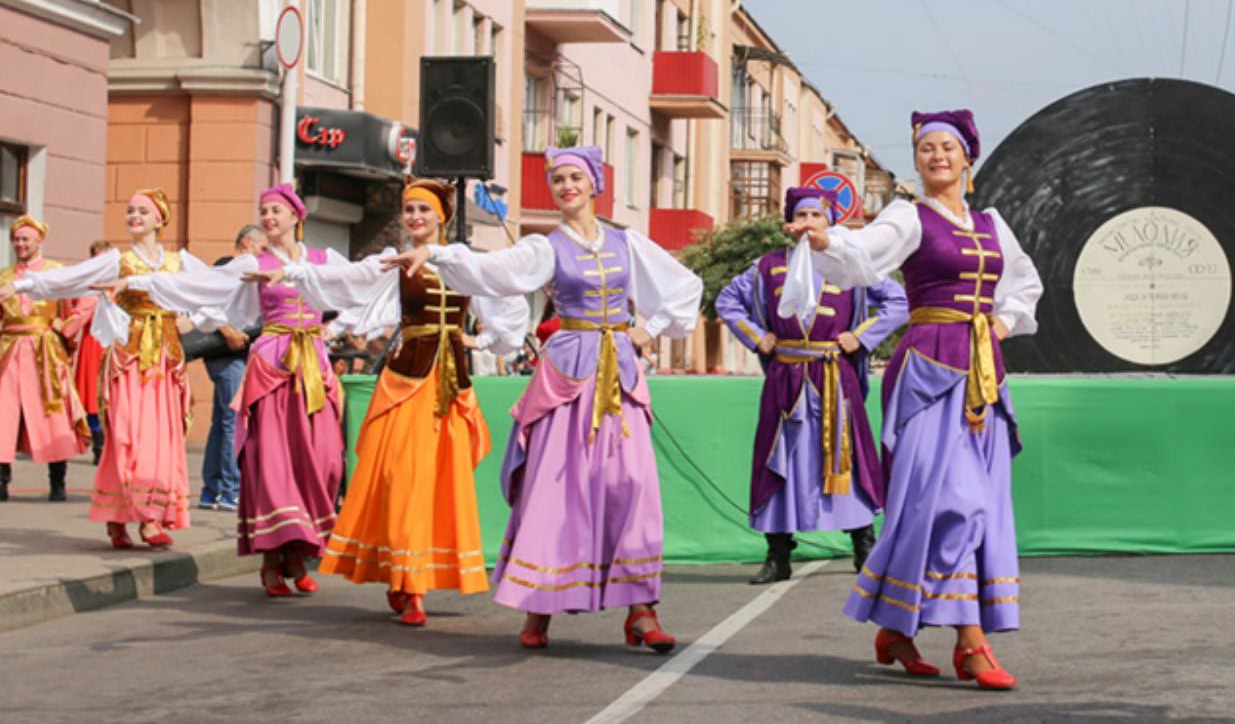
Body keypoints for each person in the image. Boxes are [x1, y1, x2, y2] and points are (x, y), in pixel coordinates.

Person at [411, 146, 702, 653]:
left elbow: (683, 285)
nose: (566, 186)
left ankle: (641, 609)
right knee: (555, 487)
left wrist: (648, 329)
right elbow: (494, 271)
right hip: (568, 371)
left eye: (575, 177)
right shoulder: (546, 247)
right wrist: (436, 253)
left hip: (620, 374)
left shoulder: (626, 242)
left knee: (629, 486)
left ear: (594, 184)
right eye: (558, 179)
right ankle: (538, 606)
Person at [790, 110, 1043, 690]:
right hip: (928, 370)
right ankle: (969, 642)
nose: (937, 156)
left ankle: (896, 624)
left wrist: (1000, 325)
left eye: (947, 147)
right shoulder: (909, 217)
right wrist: (828, 239)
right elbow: (866, 253)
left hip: (983, 369)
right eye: (926, 148)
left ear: (967, 158)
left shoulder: (992, 223)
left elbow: (1025, 283)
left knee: (969, 504)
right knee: (952, 500)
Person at [267, 179, 519, 627]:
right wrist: (294, 275)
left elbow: (505, 302)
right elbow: (348, 282)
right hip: (406, 383)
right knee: (402, 479)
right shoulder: (394, 262)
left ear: (442, 216)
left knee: (439, 482)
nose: (415, 217)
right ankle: (406, 579)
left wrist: (483, 340)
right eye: (409, 210)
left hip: (451, 387)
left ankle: (414, 576)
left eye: (424, 209)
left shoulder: (465, 262)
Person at [128, 186, 348, 597]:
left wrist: (333, 327)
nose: (268, 217)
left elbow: (355, 287)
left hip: (313, 366)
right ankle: (275, 561)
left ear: (296, 216)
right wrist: (143, 283)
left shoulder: (323, 260)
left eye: (275, 210)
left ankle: (301, 550)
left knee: (323, 461)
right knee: (272, 463)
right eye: (263, 211)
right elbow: (207, 287)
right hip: (272, 363)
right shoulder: (252, 263)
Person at [0, 190, 211, 549]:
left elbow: (213, 290)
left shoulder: (179, 261)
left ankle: (149, 516)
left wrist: (198, 320)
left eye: (143, 211)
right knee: (127, 437)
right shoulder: (117, 261)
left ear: (160, 219)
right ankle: (122, 515)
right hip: (129, 358)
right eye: (130, 210)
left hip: (164, 360)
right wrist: (23, 284)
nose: (134, 216)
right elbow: (71, 278)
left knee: (162, 437)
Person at [717, 186, 908, 584]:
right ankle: (778, 554)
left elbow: (898, 301)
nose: (808, 224)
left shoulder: (849, 264)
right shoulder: (767, 266)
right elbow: (727, 301)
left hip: (834, 377)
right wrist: (757, 336)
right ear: (789, 224)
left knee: (848, 458)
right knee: (779, 460)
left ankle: (864, 548)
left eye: (816, 217)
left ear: (829, 222)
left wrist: (863, 335)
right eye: (801, 217)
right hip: (786, 377)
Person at [0, 215, 92, 503]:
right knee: (3, 414)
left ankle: (57, 481)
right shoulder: (2, 276)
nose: (21, 244)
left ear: (39, 241)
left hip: (45, 350)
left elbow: (86, 299)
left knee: (52, 412)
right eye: (17, 239)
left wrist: (66, 326)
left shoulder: (55, 272)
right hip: (11, 351)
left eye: (26, 239)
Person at [194, 224, 266, 512]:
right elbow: (204, 304)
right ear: (247, 243)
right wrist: (227, 330)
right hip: (225, 352)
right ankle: (229, 490)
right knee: (231, 421)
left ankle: (210, 490)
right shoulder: (226, 268)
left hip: (235, 353)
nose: (264, 256)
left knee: (221, 421)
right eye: (262, 249)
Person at [75, 239, 115, 466]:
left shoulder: (121, 283)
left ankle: (110, 442)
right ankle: (98, 442)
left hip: (113, 345)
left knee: (112, 396)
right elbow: (77, 312)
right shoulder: (87, 287)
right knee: (91, 395)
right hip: (93, 344)